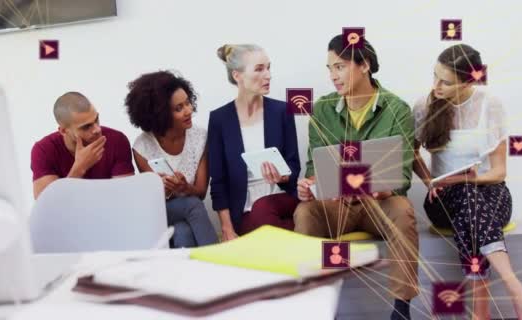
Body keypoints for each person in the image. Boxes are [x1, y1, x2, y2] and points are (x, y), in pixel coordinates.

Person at [293, 35, 419, 320]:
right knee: (305, 212)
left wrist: (384, 189)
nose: (333, 76)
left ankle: (401, 309)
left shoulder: (397, 109)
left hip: (379, 204)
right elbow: (314, 166)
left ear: (365, 65)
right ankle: (312, 305)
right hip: (338, 204)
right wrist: (309, 185)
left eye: (339, 67)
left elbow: (402, 174)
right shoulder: (322, 109)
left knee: (404, 210)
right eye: (329, 69)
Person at [413, 44, 522, 318]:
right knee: (465, 194)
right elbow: (411, 153)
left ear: (468, 81)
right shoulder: (424, 106)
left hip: (491, 193)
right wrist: (430, 182)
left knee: (470, 199)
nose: (436, 86)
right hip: (443, 202)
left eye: (446, 82)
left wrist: (474, 178)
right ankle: (515, 287)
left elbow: (498, 172)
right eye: (435, 76)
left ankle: (481, 314)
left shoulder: (491, 105)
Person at [208, 44, 301, 241]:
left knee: (263, 210)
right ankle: (299, 242)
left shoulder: (282, 111)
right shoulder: (219, 120)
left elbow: (293, 166)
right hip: (244, 208)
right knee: (260, 218)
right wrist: (226, 228)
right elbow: (218, 182)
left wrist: (282, 176)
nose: (268, 75)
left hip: (281, 199)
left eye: (269, 67)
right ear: (237, 76)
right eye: (259, 69)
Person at [126, 70, 218, 248]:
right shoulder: (142, 146)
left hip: (187, 210)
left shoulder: (199, 137)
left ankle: (187, 273)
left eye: (188, 103)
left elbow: (201, 191)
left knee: (183, 230)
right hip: (159, 211)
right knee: (191, 205)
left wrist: (185, 187)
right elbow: (153, 200)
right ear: (160, 114)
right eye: (179, 108)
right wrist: (164, 188)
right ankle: (219, 259)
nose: (189, 110)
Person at [31, 92, 134, 199]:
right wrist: (79, 169)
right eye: (86, 127)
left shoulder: (117, 140)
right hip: (68, 215)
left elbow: (124, 197)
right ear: (63, 131)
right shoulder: (43, 150)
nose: (97, 129)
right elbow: (46, 206)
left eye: (96, 120)